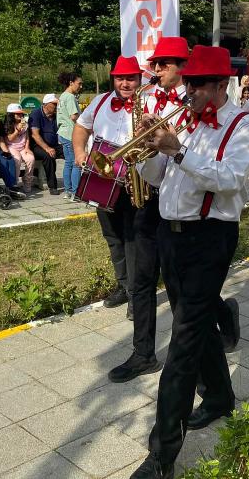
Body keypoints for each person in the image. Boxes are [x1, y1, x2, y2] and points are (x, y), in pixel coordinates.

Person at [131, 45, 249, 479]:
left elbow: (230, 181)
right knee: (193, 319)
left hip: (209, 239)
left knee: (182, 344)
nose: (191, 91)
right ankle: (221, 399)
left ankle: (162, 454)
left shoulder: (242, 124)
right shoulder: (184, 120)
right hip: (171, 235)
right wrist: (152, 150)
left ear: (222, 84)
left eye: (200, 84)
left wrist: (180, 150)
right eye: (188, 83)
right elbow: (156, 178)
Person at [109, 37, 190, 383]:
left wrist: (171, 140)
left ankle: (208, 332)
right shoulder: (147, 97)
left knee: (179, 285)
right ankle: (143, 354)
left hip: (182, 202)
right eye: (153, 65)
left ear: (182, 66)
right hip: (149, 199)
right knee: (142, 281)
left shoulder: (198, 101)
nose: (154, 71)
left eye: (162, 65)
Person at [73, 55, 142, 313]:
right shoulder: (101, 100)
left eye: (130, 78)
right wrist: (80, 153)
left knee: (133, 239)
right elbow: (81, 126)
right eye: (120, 78)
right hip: (101, 178)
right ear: (114, 78)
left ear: (139, 79)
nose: (125, 83)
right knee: (112, 236)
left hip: (133, 182)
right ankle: (123, 286)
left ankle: (137, 295)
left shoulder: (147, 102)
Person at [29, 94, 61, 196]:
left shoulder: (56, 115)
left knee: (71, 152)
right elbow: (35, 135)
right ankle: (52, 186)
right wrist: (47, 148)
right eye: (54, 104)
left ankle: (76, 182)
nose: (56, 106)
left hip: (54, 144)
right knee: (48, 156)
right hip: (37, 146)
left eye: (57, 104)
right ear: (46, 104)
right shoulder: (36, 113)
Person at [58, 74, 83, 200]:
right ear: (71, 82)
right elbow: (74, 116)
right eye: (79, 83)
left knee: (68, 163)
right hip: (70, 133)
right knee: (76, 163)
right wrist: (84, 120)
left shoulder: (62, 96)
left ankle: (68, 191)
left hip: (63, 133)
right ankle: (75, 192)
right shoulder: (70, 97)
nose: (81, 86)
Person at [4, 103, 36, 194]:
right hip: (11, 146)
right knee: (16, 160)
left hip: (22, 147)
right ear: (11, 115)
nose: (20, 115)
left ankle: (27, 181)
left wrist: (27, 148)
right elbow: (9, 139)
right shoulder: (8, 125)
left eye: (21, 113)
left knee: (31, 159)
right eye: (17, 114)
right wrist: (17, 130)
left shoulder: (24, 123)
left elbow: (27, 137)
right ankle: (14, 183)